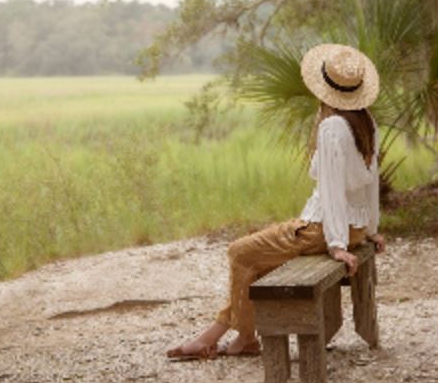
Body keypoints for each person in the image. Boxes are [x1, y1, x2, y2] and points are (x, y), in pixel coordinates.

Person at [166, 43, 387, 360]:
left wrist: (337, 244)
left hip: (322, 228)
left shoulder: (332, 127)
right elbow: (370, 182)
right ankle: (233, 338)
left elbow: (331, 190)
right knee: (253, 260)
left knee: (239, 252)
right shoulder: (365, 122)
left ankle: (232, 337)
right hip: (351, 227)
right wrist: (369, 230)